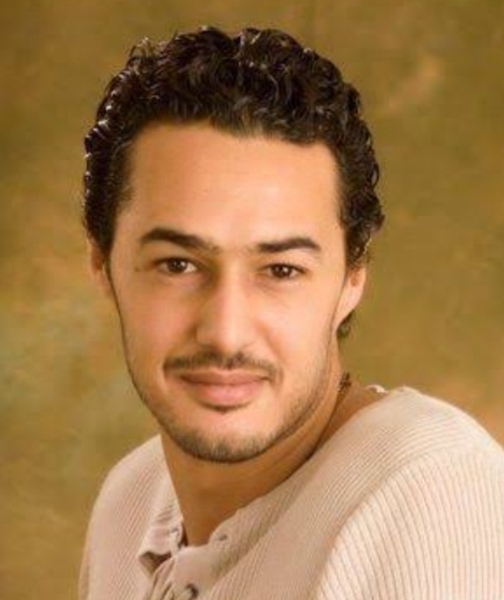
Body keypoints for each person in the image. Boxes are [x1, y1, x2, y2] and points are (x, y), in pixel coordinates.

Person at [79, 26, 504, 600]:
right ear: (102, 262)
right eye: (178, 265)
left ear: (353, 277)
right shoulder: (129, 501)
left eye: (281, 270)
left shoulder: (431, 492)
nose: (226, 333)